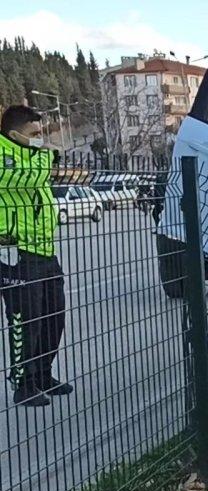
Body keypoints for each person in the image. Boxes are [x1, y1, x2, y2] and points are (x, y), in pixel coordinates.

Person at [0, 105, 70, 407]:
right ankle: (23, 384)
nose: (42, 138)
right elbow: (20, 179)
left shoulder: (30, 157)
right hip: (15, 250)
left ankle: (42, 373)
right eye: (35, 133)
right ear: (15, 134)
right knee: (25, 320)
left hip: (43, 248)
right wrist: (47, 155)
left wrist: (41, 155)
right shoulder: (5, 156)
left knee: (54, 314)